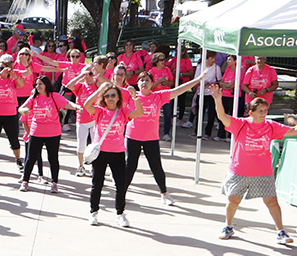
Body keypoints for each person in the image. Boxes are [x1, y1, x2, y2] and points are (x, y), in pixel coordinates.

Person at [207, 84, 297, 244]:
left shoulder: (271, 126)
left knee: (272, 202)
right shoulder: (241, 124)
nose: (264, 114)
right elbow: (222, 116)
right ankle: (228, 226)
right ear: (250, 112)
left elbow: (294, 131)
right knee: (233, 200)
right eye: (260, 111)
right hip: (240, 170)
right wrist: (218, 99)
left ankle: (281, 232)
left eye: (266, 111)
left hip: (263, 172)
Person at [126, 71, 204, 206]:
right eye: (141, 80)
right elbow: (110, 85)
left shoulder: (158, 96)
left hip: (151, 138)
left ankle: (164, 193)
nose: (144, 83)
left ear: (152, 84)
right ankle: (122, 192)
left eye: (147, 80)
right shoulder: (130, 95)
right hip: (133, 137)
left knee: (156, 167)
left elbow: (178, 90)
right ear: (137, 83)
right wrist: (97, 74)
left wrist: (197, 80)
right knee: (130, 166)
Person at [83, 82, 144, 227]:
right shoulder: (99, 111)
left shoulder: (123, 111)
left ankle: (120, 214)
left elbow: (139, 113)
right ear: (104, 98)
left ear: (118, 98)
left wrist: (135, 97)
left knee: (121, 185)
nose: (110, 98)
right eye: (107, 95)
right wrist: (99, 90)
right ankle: (93, 212)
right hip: (101, 153)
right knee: (97, 184)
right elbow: (86, 105)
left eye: (113, 95)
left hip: (118, 153)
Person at [19, 75, 73, 192]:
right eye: (37, 84)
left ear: (46, 85)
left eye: (40, 84)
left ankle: (54, 183)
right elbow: (21, 108)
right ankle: (25, 181)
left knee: (53, 158)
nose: (38, 87)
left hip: (53, 133)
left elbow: (66, 104)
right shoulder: (34, 97)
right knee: (30, 158)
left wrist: (76, 107)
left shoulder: (54, 96)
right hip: (36, 131)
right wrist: (24, 110)